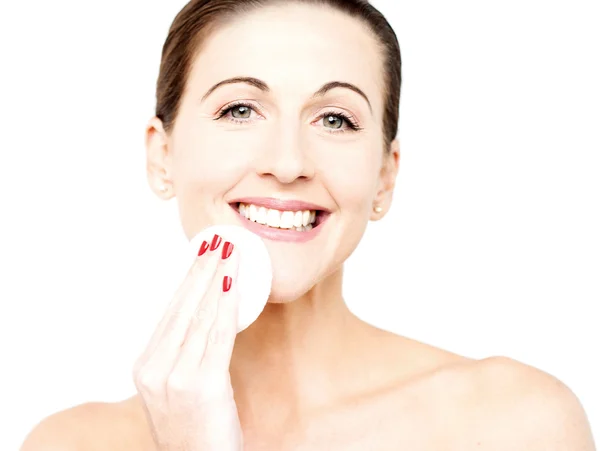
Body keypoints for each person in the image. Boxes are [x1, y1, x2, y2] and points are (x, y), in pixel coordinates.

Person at [21, 0, 596, 450]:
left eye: (336, 119)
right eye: (239, 110)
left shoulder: (514, 424)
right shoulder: (68, 444)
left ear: (384, 178)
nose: (290, 163)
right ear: (161, 156)